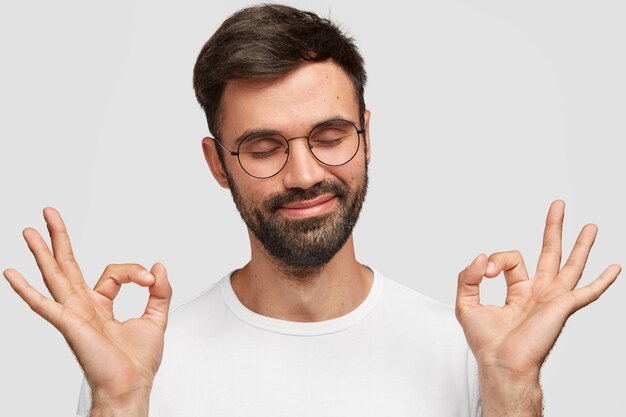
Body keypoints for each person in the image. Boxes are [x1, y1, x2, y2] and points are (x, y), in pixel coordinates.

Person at [3, 4, 621, 417]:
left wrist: (513, 388)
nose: (305, 176)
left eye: (329, 137)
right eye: (264, 148)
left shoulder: (472, 352)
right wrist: (116, 400)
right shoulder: (140, 365)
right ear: (217, 164)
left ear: (367, 136)